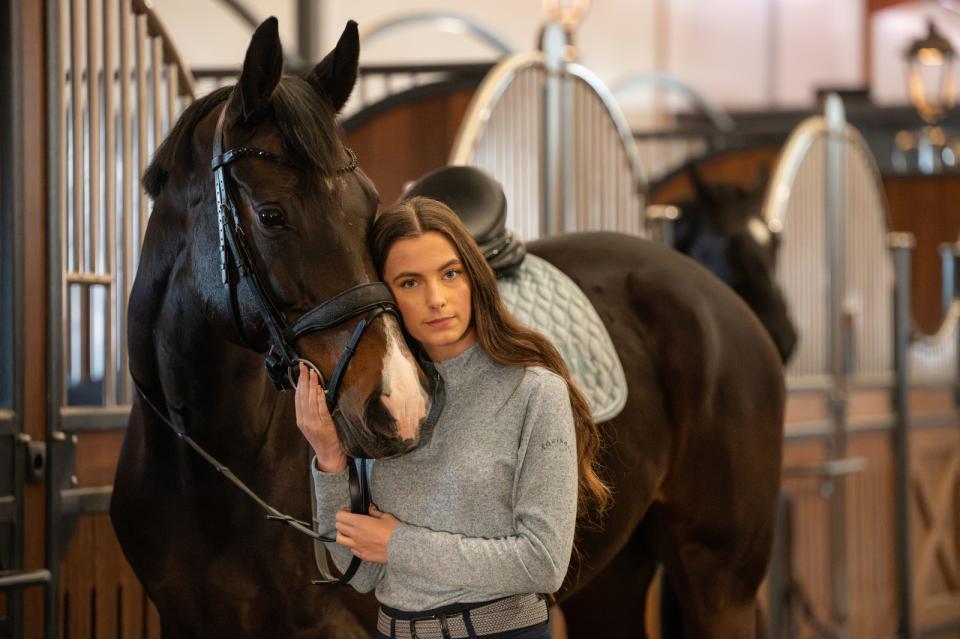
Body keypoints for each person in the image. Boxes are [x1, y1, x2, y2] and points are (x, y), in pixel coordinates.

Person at [295, 196, 609, 639]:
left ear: (473, 278)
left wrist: (398, 544)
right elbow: (358, 574)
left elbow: (543, 564)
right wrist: (329, 460)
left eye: (449, 274)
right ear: (385, 297)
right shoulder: (377, 402)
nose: (436, 299)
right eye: (409, 283)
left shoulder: (535, 392)